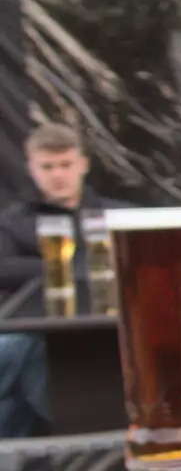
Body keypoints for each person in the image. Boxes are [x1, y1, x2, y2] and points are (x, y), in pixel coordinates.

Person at [0, 123, 126, 436]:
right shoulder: (14, 221)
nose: (58, 175)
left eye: (66, 165)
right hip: (36, 333)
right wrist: (70, 265)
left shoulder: (118, 215)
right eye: (48, 167)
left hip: (107, 331)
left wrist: (47, 265)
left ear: (83, 164)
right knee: (16, 351)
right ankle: (89, 432)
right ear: (32, 168)